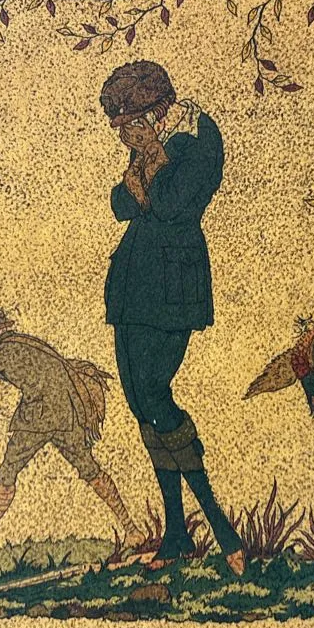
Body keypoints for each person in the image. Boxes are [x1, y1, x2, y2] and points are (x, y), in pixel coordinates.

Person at [100, 60, 246, 577]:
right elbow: (121, 203)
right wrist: (142, 167)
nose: (124, 135)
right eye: (120, 127)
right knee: (142, 404)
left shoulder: (198, 139)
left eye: (130, 124)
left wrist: (151, 159)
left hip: (172, 289)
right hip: (133, 289)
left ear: (157, 112)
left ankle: (220, 528)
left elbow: (169, 205)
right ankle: (178, 535)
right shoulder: (153, 142)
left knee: (157, 397)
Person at [0, 309, 145, 563]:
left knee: (7, 473)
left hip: (39, 414)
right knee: (89, 469)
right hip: (66, 410)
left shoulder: (2, 350)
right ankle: (132, 530)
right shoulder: (21, 343)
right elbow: (10, 369)